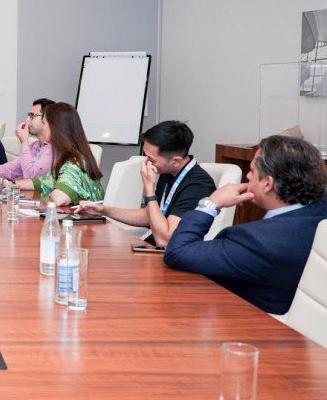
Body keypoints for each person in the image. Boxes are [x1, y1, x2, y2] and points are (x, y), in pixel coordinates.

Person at [164, 135, 327, 314]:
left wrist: (211, 203)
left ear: (267, 184)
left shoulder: (258, 242)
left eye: (252, 171)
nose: (247, 176)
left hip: (248, 320)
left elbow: (178, 252)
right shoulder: (319, 212)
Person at [76, 121, 215, 247]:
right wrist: (103, 210)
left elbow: (165, 240)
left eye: (151, 159)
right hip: (152, 246)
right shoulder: (168, 172)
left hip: (173, 254)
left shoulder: (197, 186)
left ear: (176, 161)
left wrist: (149, 188)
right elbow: (151, 216)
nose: (146, 162)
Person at [15, 102, 102, 206]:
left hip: (83, 217)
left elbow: (58, 199)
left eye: (43, 123)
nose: (42, 127)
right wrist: (9, 184)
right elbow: (40, 183)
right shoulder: (65, 157)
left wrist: (43, 199)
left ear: (55, 127)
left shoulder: (74, 162)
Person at [0, 98, 54, 181]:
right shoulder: (34, 145)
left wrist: (24, 141)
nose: (27, 120)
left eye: (32, 116)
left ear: (47, 119)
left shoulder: (53, 149)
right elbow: (9, 170)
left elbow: (31, 177)